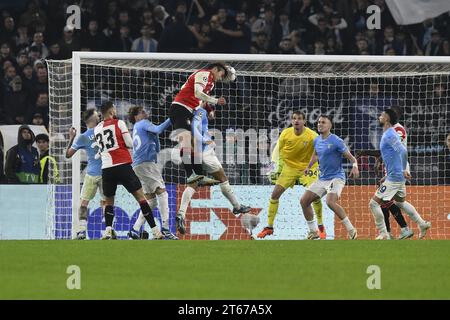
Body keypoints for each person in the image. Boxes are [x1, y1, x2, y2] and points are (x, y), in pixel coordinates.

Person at [176, 104, 251, 234]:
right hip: (204, 152)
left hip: (192, 152)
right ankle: (237, 206)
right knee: (223, 178)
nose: (213, 115)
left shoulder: (191, 112)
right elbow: (194, 127)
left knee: (193, 183)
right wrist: (207, 140)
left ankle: (181, 214)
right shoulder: (201, 111)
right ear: (211, 109)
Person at [94, 101, 163, 240]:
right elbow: (130, 143)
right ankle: (156, 231)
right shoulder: (119, 123)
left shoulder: (97, 128)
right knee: (141, 198)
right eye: (114, 110)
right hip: (122, 165)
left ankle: (108, 230)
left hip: (106, 168)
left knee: (109, 201)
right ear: (111, 112)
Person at [257, 111, 325, 239]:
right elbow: (278, 151)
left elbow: (321, 151)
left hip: (307, 167)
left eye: (299, 119)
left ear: (304, 121)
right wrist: (275, 167)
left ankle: (320, 227)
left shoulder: (312, 135)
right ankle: (269, 227)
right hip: (290, 167)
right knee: (275, 194)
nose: (296, 121)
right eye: (294, 119)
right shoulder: (286, 133)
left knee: (314, 196)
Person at [369, 109, 431, 240]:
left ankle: (384, 233)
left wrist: (403, 169)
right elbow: (396, 153)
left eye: (381, 115)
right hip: (396, 175)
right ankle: (421, 223)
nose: (379, 116)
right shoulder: (388, 133)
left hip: (396, 176)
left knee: (373, 203)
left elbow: (402, 151)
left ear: (387, 118)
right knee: (400, 203)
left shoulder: (390, 134)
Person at [168, 62, 233, 185]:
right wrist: (216, 101)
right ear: (215, 69)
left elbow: (200, 98)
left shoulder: (210, 83)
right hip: (180, 109)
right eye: (221, 74)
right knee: (186, 141)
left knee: (195, 143)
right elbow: (198, 93)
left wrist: (209, 110)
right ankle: (190, 175)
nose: (220, 78)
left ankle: (199, 176)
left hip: (187, 111)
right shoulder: (204, 74)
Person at [300, 115, 359, 240]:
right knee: (304, 201)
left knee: (330, 202)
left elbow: (351, 157)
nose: (320, 124)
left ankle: (351, 230)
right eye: (319, 122)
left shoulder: (336, 141)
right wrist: (308, 167)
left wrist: (355, 166)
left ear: (330, 125)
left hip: (336, 178)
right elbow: (315, 155)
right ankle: (313, 231)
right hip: (322, 178)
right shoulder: (316, 140)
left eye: (323, 122)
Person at [126, 106, 178, 240]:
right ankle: (166, 228)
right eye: (142, 112)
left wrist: (154, 139)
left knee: (151, 202)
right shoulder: (143, 123)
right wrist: (172, 118)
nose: (145, 113)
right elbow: (159, 129)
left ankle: (135, 229)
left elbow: (157, 145)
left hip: (138, 165)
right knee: (162, 192)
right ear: (136, 116)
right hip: (146, 163)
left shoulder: (138, 127)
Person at [65, 109, 105, 240]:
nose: (98, 115)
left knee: (85, 203)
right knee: (104, 202)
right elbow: (68, 155)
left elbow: (68, 154)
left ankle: (83, 231)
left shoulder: (84, 136)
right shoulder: (104, 130)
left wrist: (72, 138)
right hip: (103, 173)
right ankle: (106, 230)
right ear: (90, 118)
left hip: (95, 173)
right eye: (96, 113)